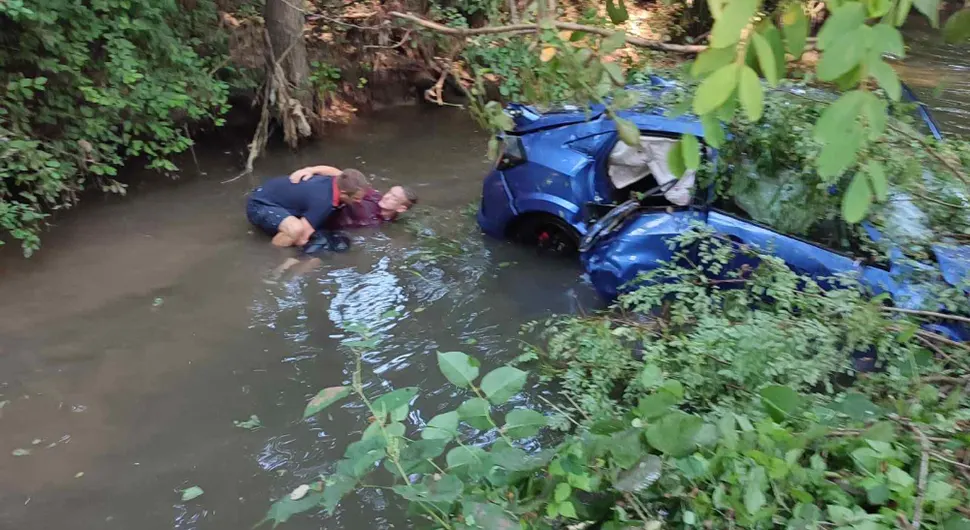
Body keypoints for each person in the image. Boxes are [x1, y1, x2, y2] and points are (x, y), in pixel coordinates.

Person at [246, 167, 369, 247]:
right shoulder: (324, 202)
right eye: (356, 199)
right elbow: (302, 239)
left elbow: (334, 171)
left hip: (269, 191)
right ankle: (272, 254)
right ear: (343, 194)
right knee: (296, 230)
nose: (359, 201)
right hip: (260, 205)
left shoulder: (340, 180)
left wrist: (311, 170)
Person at [289, 165, 418, 228]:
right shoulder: (374, 196)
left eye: (394, 198)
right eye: (389, 192)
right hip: (317, 208)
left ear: (401, 209)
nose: (387, 197)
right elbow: (343, 175)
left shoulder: (383, 223)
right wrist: (310, 170)